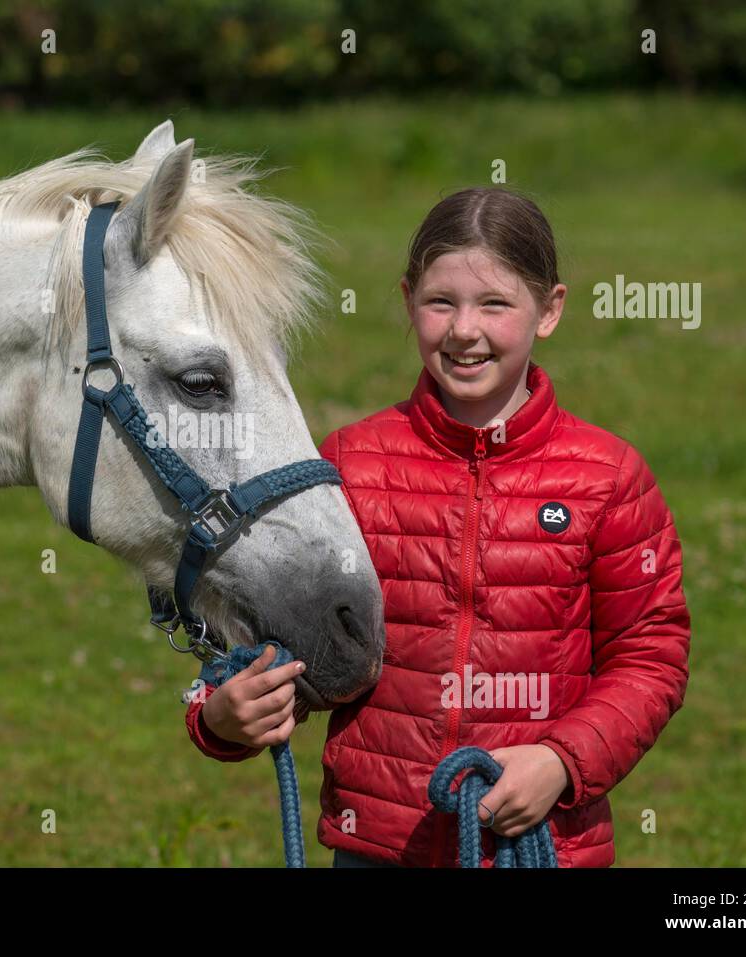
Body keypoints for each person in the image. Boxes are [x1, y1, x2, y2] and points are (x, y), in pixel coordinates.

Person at [184, 187, 691, 867]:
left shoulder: (607, 477)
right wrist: (222, 712)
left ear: (550, 310)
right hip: (380, 844)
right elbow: (282, 635)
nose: (464, 329)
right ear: (407, 301)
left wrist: (560, 761)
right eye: (441, 302)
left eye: (495, 304)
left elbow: (651, 655)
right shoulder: (345, 465)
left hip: (541, 844)